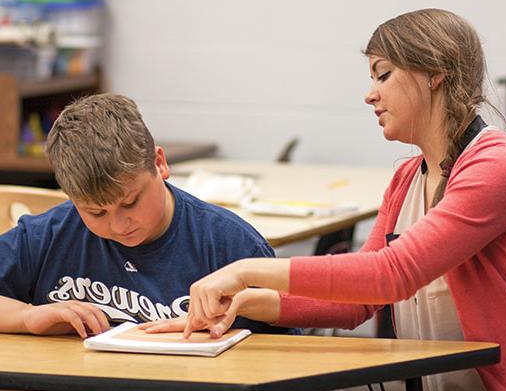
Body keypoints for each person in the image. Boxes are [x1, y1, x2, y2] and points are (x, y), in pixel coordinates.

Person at [144, 9, 506, 391]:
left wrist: (244, 271)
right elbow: (358, 301)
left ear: (435, 73)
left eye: (383, 75)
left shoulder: (498, 165)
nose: (370, 95)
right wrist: (242, 305)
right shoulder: (407, 177)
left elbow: (391, 274)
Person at [0, 93, 296, 339]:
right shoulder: (47, 237)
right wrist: (27, 316)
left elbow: (289, 355)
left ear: (159, 163)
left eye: (130, 202)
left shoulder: (230, 245)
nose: (118, 225)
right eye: (96, 212)